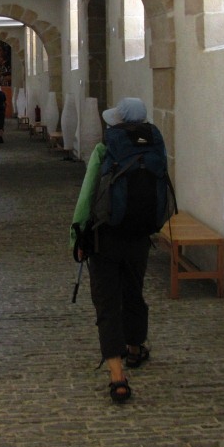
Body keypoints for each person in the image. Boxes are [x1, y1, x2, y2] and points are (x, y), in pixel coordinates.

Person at [69, 97, 154, 403]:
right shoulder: (153, 147)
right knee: (134, 293)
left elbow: (87, 195)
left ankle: (117, 377)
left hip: (105, 237)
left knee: (107, 302)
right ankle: (134, 348)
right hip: (139, 237)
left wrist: (77, 236)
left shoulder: (104, 149)